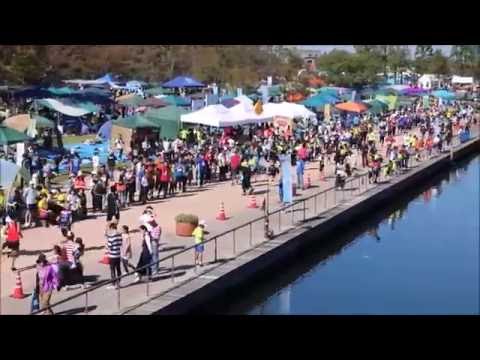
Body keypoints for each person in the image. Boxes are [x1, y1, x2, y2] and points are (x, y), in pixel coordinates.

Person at [105, 222, 123, 289]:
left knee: (112, 270)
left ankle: (113, 284)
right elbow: (120, 244)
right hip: (118, 254)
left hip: (112, 255)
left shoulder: (112, 237)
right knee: (118, 269)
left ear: (112, 228)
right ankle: (119, 282)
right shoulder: (119, 236)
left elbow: (109, 246)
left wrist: (107, 245)